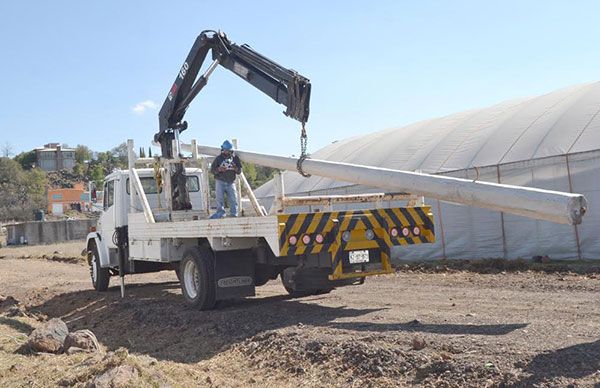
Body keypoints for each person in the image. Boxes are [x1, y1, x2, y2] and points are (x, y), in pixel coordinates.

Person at [209, 140, 242, 219]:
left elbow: (239, 171)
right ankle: (221, 213)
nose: (228, 152)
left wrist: (235, 168)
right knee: (219, 199)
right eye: (226, 150)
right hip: (220, 181)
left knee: (233, 199)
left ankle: (234, 214)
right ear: (223, 150)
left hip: (231, 182)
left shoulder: (235, 158)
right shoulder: (218, 159)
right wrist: (219, 169)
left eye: (229, 151)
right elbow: (212, 170)